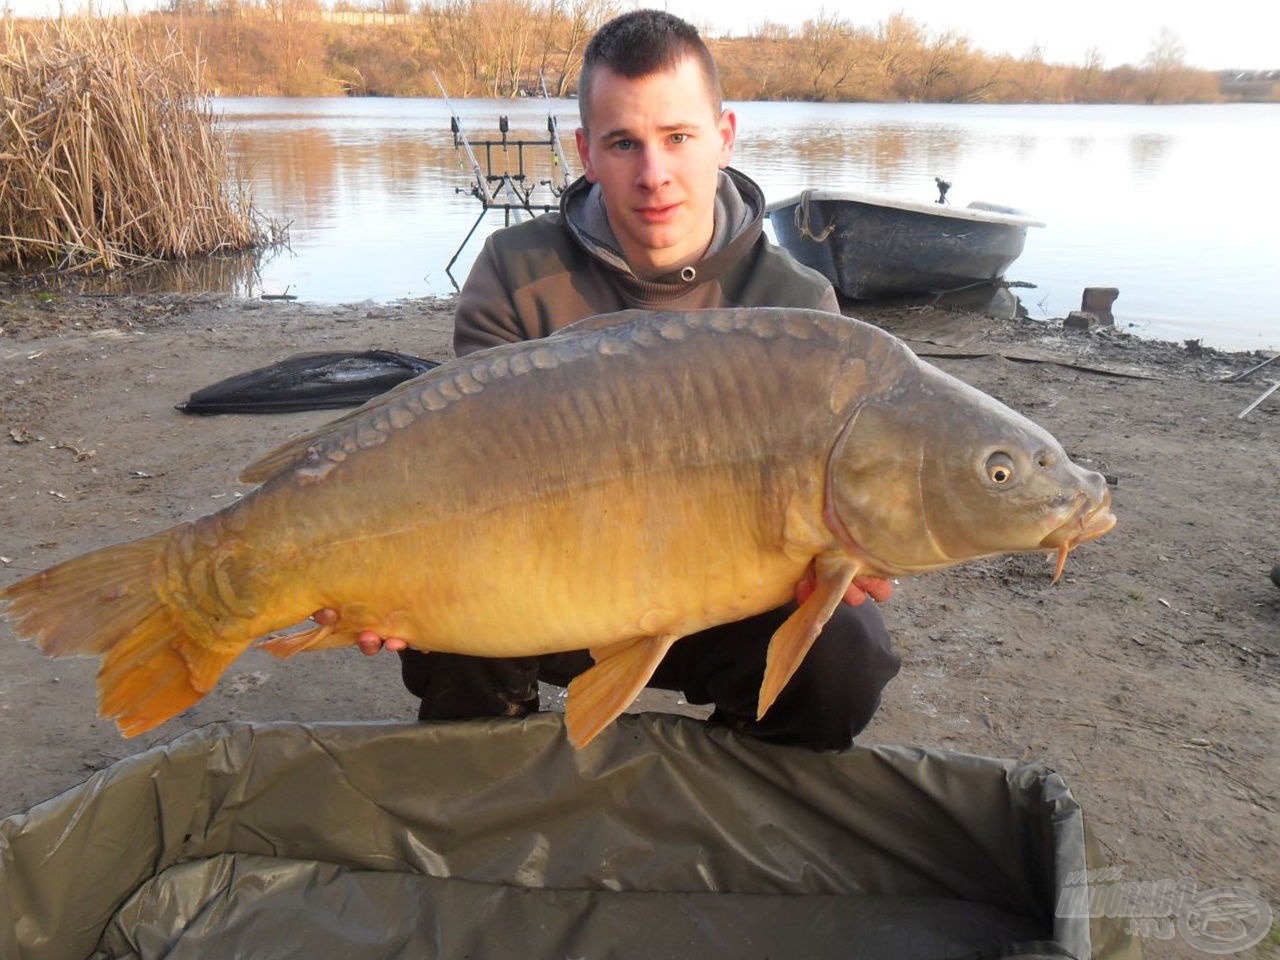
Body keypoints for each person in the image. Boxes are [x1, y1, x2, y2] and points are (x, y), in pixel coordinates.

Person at [341, 9, 900, 749]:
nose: (653, 174)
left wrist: (840, 559)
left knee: (846, 650)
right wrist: (379, 577)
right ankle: (487, 776)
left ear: (724, 136)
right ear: (585, 152)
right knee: (448, 627)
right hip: (538, 586)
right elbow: (462, 470)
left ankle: (743, 783)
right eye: (623, 143)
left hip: (721, 597)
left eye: (678, 138)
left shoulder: (797, 309)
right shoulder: (515, 274)